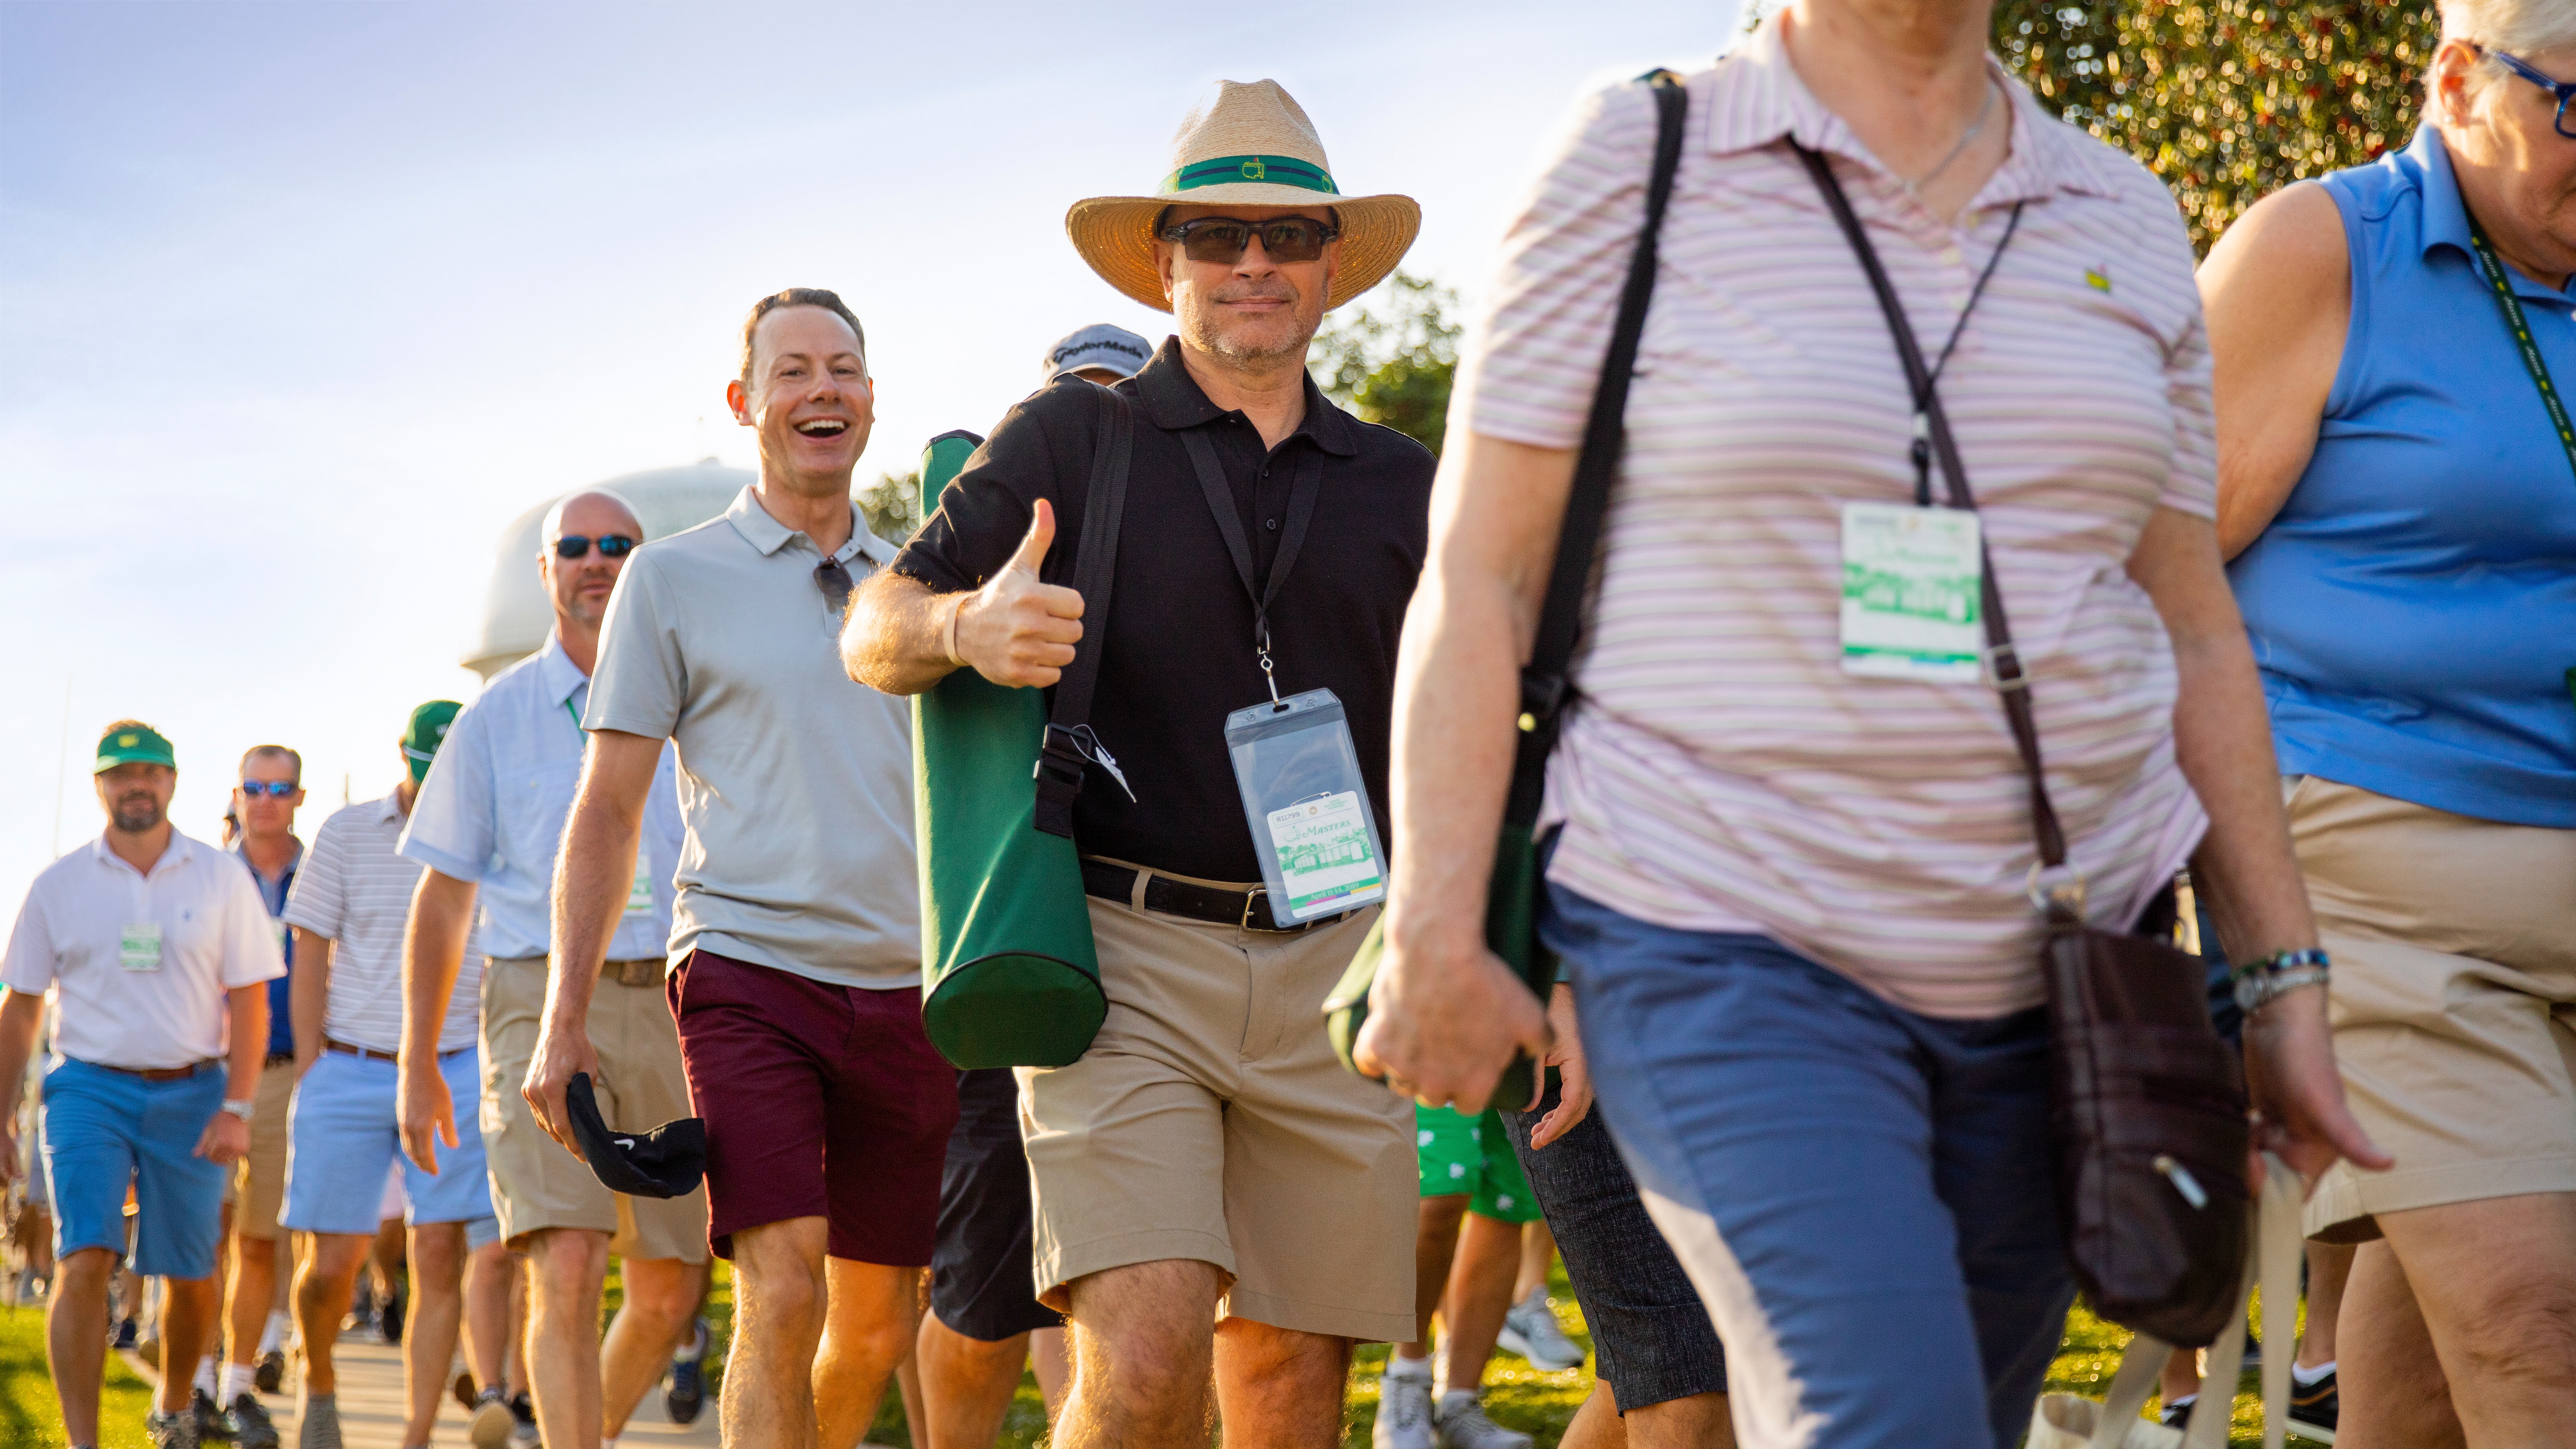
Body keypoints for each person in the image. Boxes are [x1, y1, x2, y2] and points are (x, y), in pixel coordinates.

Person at [1351, 4, 2391, 1446]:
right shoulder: (1635, 154)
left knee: (1958, 1415)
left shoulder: (2127, 213)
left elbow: (2193, 622)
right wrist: (1432, 923)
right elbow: (1480, 572)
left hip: (2064, 969)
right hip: (1719, 933)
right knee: (1885, 1415)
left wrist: (2276, 978)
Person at [846, 78, 1432, 1449]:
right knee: (1146, 1352)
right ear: (1164, 257)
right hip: (1129, 959)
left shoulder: (1403, 480)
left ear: (1330, 265)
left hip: (1341, 961)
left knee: (1289, 1383)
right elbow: (875, 628)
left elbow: (1475, 709)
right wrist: (964, 625)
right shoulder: (1069, 434)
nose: (1251, 263)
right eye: (1217, 233)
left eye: (1285, 238)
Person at [2199, 2, 2576, 1440]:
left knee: (2423, 1355)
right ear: (2454, 78)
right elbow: (2152, 564)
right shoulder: (2316, 247)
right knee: (2534, 1331)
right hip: (2371, 858)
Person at [529, 287, 953, 1449]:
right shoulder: (670, 578)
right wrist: (561, 1019)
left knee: (877, 1320)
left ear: (870, 398)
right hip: (747, 969)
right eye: (793, 370)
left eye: (845, 368)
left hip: (914, 988)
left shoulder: (926, 578)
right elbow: (608, 811)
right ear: (745, 402)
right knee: (783, 1286)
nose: (823, 388)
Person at [399, 487, 711, 1449]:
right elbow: (445, 898)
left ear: (640, 561)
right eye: (573, 546)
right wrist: (417, 1064)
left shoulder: (698, 694)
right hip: (539, 997)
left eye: (617, 544)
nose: (596, 560)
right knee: (566, 1262)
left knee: (670, 1284)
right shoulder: (494, 718)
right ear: (546, 572)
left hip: (676, 997)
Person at [904, 322, 1154, 1449]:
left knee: (1110, 1278)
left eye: (1121, 398)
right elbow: (888, 641)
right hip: (1014, 952)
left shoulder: (1187, 563)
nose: (1100, 423)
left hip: (1161, 964)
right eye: (1076, 404)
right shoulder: (977, 573)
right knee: (982, 1295)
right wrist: (967, 629)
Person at [0, 722, 283, 1449]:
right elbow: (23, 1004)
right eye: (121, 773)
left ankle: (175, 1400)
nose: (137, 785)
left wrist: (237, 1106)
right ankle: (83, 1440)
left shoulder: (221, 878)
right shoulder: (57, 885)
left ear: (173, 782)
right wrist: (2, 1118)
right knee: (85, 1253)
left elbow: (251, 998)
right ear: (101, 785)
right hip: (88, 1089)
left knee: (190, 1273)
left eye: (150, 772)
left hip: (194, 1093)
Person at [280, 704, 500, 1449]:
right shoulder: (345, 832)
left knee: (438, 1250)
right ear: (402, 755)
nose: (438, 779)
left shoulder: (495, 832)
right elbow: (309, 950)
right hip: (349, 1066)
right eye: (425, 763)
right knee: (331, 1264)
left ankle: (415, 1433)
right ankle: (319, 1384)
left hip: (454, 1067)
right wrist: (314, 1065)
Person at [1377, 1105, 1545, 1449]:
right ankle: (1407, 1376)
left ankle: (1461, 1402)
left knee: (1505, 1201)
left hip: (1519, 1055)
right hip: (1436, 1051)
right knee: (1441, 1190)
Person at [224, 746, 306, 1413]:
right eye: (254, 786)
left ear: (298, 797)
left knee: (269, 1228)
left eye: (280, 787)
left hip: (288, 1070)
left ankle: (263, 1347)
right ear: (237, 794)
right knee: (210, 1222)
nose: (266, 798)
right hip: (212, 1075)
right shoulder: (209, 876)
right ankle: (202, 1366)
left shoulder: (318, 873)